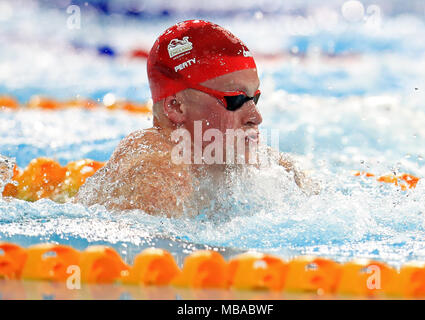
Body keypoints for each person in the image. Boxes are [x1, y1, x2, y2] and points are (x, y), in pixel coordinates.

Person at [74, 20, 317, 216]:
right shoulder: (153, 167)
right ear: (176, 107)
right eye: (235, 100)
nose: (256, 117)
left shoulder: (264, 166)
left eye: (254, 99)